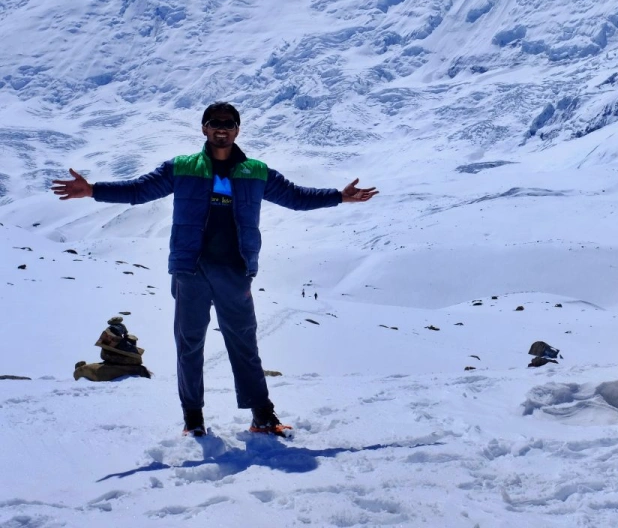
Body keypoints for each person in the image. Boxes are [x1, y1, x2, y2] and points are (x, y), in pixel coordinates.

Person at [51, 102, 378, 438]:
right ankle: (193, 420)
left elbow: (296, 196)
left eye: (229, 123)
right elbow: (138, 190)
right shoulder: (181, 168)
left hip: (235, 271)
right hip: (190, 270)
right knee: (189, 345)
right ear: (204, 129)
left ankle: (263, 416)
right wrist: (93, 190)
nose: (222, 128)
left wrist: (339, 197)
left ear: (237, 129)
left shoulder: (256, 171)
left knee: (245, 345)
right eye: (214, 122)